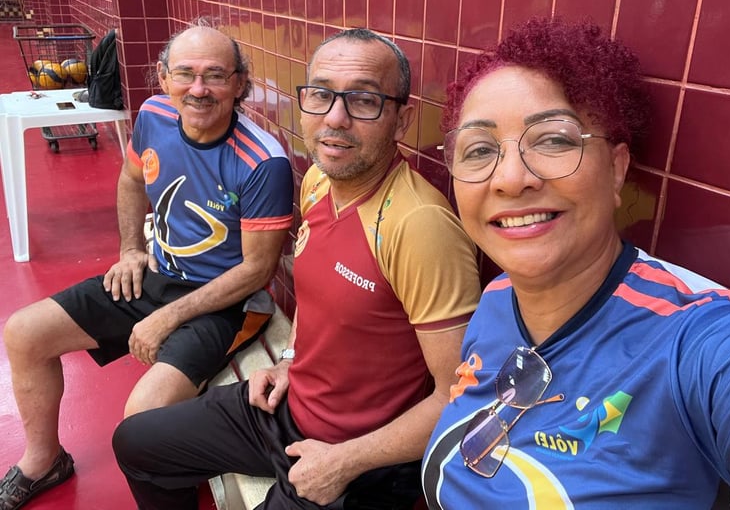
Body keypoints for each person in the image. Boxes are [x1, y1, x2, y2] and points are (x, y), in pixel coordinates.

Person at [111, 28, 482, 509]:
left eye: (364, 101)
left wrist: (345, 461)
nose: (336, 119)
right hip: (287, 408)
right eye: (321, 95)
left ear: (401, 120)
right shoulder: (318, 183)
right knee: (137, 443)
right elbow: (317, 293)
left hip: (359, 460)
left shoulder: (419, 226)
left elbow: (460, 395)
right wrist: (288, 359)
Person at [422, 16, 730, 510]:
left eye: (554, 140)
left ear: (616, 170)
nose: (511, 179)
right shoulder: (497, 298)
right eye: (479, 150)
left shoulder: (695, 343)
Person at [0, 22, 294, 510]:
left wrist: (168, 317)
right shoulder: (155, 115)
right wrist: (131, 249)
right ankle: (43, 460)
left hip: (226, 306)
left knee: (142, 417)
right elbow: (132, 179)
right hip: (158, 276)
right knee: (25, 332)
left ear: (240, 83)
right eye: (185, 73)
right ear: (162, 77)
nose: (198, 89)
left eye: (215, 75)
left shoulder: (263, 162)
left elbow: (256, 271)